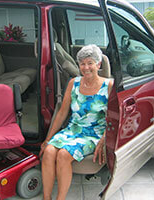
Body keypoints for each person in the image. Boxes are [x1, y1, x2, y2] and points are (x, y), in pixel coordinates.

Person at [39, 44, 113, 200]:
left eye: (90, 63)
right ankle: (46, 198)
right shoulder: (74, 83)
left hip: (93, 134)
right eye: (82, 63)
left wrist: (105, 137)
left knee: (64, 154)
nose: (86, 67)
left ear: (98, 65)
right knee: (49, 152)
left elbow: (114, 117)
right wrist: (47, 139)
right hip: (73, 130)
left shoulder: (108, 86)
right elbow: (62, 112)